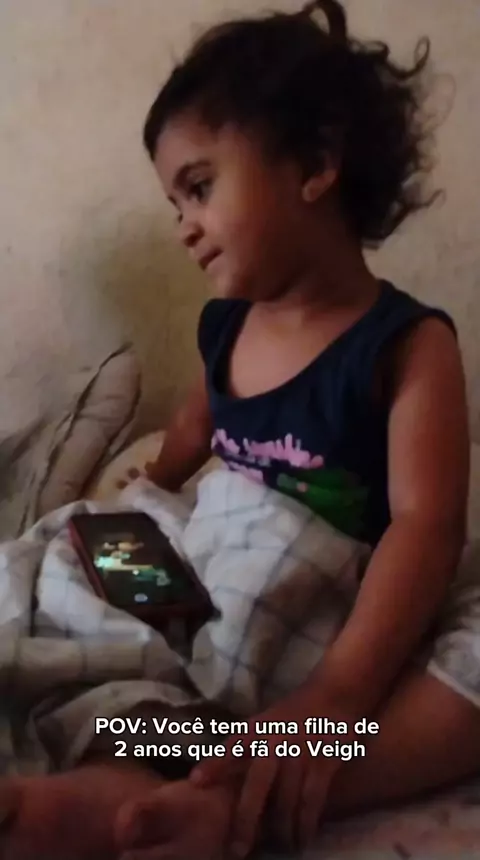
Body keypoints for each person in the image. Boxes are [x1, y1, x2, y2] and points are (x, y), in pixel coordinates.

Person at [2, 2, 479, 859]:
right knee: (85, 544)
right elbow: (194, 427)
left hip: (319, 601)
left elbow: (427, 527)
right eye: (174, 201)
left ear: (317, 164)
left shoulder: (406, 347)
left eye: (199, 187)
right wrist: (150, 493)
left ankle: (226, 777)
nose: (183, 224)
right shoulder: (227, 326)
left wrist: (337, 692)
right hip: (200, 583)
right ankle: (131, 772)